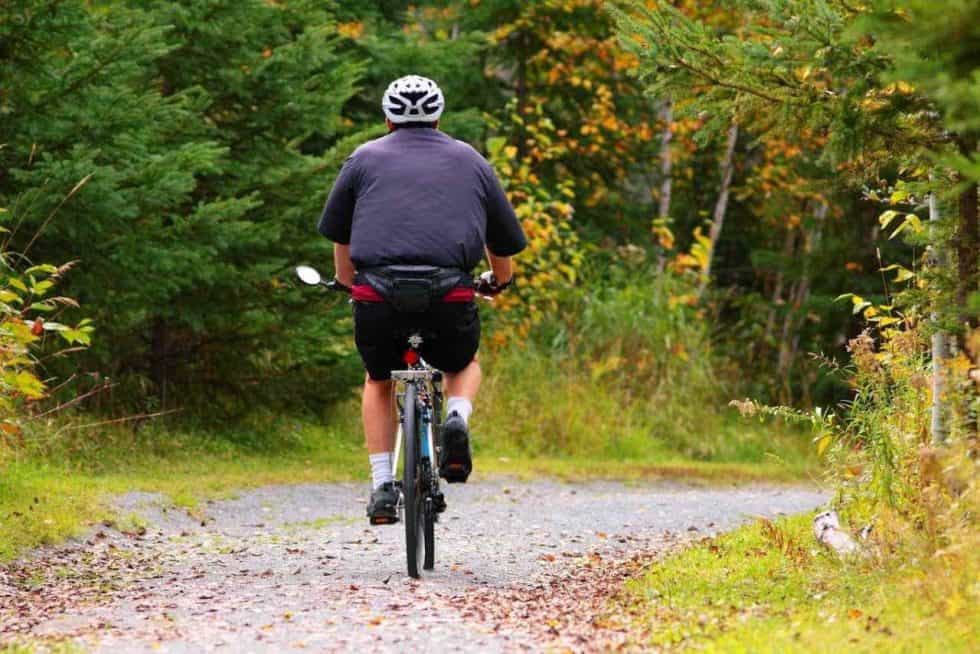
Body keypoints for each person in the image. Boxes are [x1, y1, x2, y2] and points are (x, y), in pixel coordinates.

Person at [317, 75, 527, 525]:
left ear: (387, 118)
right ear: (438, 116)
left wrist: (347, 282)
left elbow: (340, 233)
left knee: (378, 379)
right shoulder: (470, 160)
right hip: (449, 294)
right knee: (461, 364)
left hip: (378, 296)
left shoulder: (363, 158)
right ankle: (455, 416)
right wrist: (499, 281)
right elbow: (501, 238)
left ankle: (380, 488)